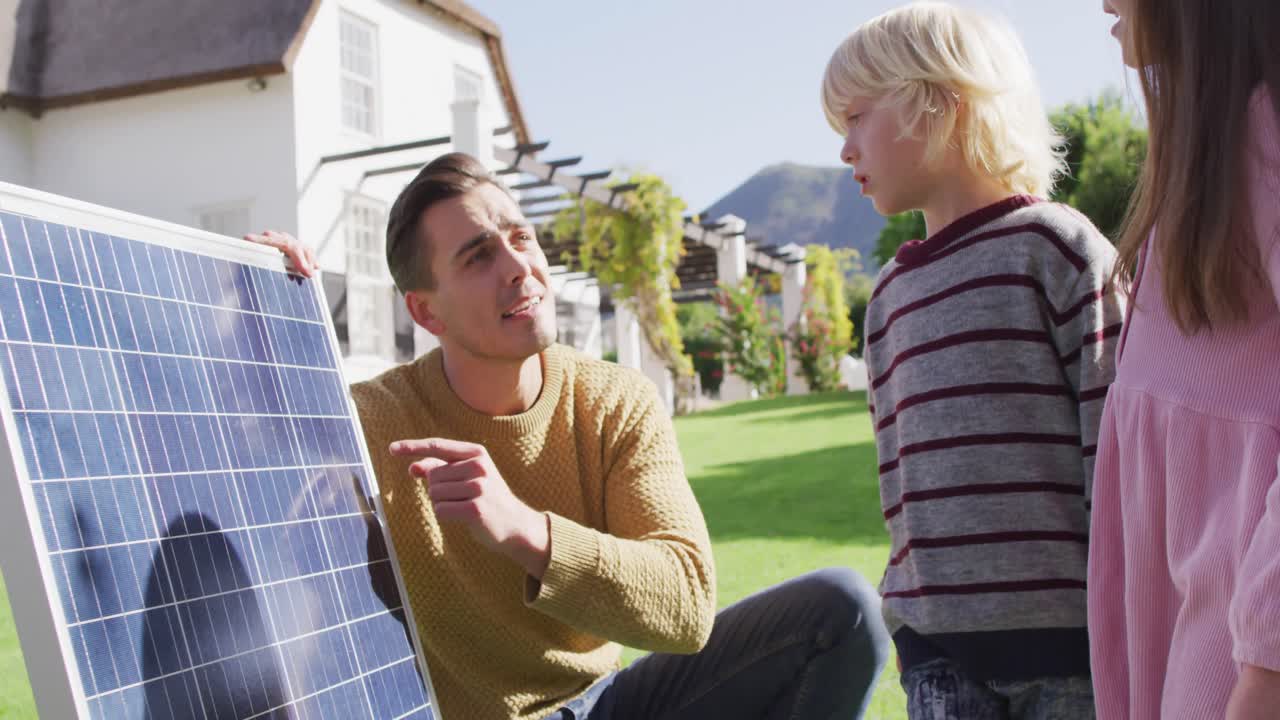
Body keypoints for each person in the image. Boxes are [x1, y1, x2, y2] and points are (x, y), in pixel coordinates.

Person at [250, 151, 889, 720]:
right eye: (478, 256)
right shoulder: (370, 420)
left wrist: (529, 534)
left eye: (521, 238)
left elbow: (687, 602)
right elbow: (237, 446)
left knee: (842, 610)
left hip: (602, 704)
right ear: (425, 311)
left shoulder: (617, 401)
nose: (520, 268)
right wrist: (274, 310)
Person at [821, 3, 1124, 717]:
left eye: (857, 117)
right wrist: (910, 621)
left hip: (1069, 655)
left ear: (940, 104)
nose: (844, 150)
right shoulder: (888, 298)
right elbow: (901, 485)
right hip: (940, 659)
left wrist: (1122, 618)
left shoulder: (1054, 249)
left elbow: (1115, 454)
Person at [1088, 1, 1280, 717]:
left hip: (1238, 637)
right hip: (1191, 609)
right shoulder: (1211, 149)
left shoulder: (1267, 133)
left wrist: (1269, 660)